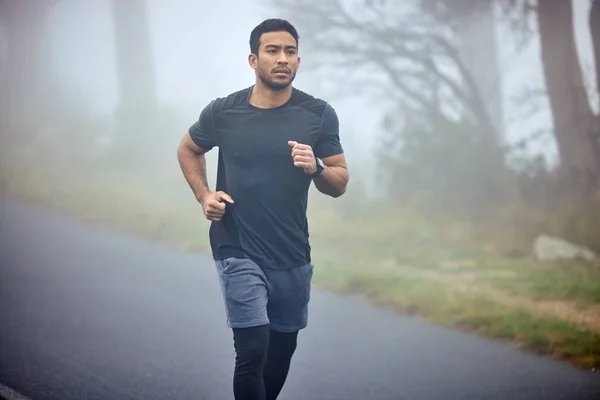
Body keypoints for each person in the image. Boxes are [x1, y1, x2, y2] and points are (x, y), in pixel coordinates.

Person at [176, 18, 349, 400]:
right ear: (253, 59)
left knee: (280, 351)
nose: (282, 58)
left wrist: (317, 167)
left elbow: (339, 181)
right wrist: (205, 194)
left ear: (298, 61)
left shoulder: (317, 114)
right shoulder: (224, 112)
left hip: (291, 252)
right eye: (272, 50)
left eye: (290, 51)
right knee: (253, 348)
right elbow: (188, 148)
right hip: (235, 244)